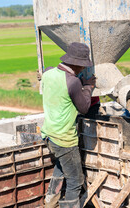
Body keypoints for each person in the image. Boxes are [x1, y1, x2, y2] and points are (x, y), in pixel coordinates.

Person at [41, 42, 96, 208]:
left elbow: (48, 69)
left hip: (49, 134)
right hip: (64, 139)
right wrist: (88, 86)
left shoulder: (48, 73)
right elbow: (84, 107)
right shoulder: (73, 83)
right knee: (75, 181)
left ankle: (50, 202)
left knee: (61, 165)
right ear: (77, 64)